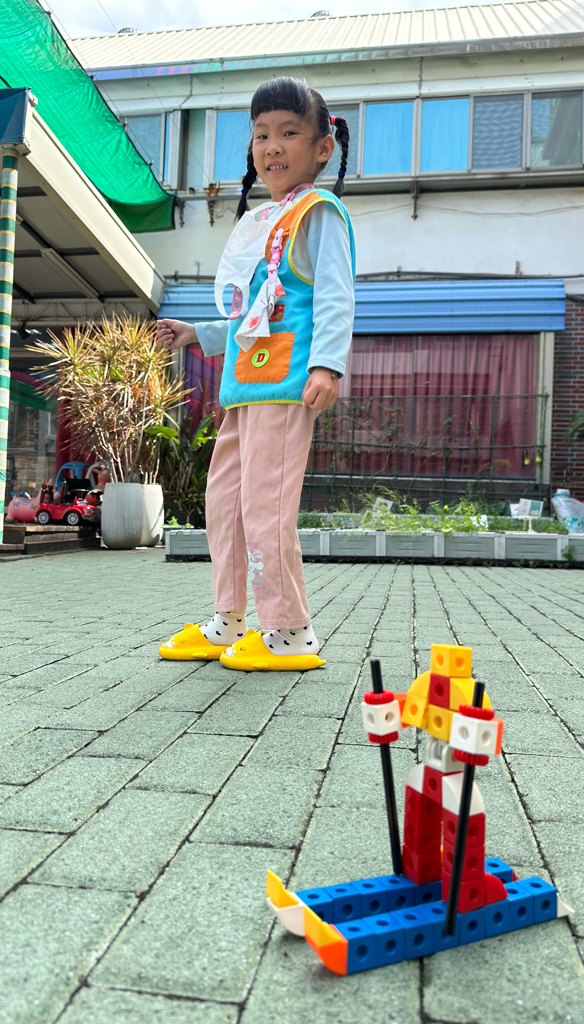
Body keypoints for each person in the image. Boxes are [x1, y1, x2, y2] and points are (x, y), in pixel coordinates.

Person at [157, 76, 355, 672]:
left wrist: (327, 365)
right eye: (261, 133)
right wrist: (198, 333)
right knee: (224, 503)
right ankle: (230, 618)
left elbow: (335, 296)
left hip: (288, 386)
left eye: (289, 132)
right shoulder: (268, 220)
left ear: (322, 148)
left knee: (267, 507)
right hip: (244, 388)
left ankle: (289, 628)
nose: (272, 145)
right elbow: (254, 315)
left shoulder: (319, 213)